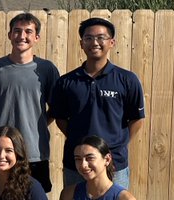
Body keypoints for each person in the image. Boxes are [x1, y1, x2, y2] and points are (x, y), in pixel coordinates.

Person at [49, 17, 145, 189]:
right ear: (81, 43)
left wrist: (117, 143)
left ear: (112, 42)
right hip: (77, 164)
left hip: (115, 164)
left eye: (101, 37)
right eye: (89, 38)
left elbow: (137, 119)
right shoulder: (66, 82)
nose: (95, 42)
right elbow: (61, 119)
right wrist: (79, 140)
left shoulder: (127, 80)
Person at [0, 13, 59, 193]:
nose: (21, 36)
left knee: (34, 195)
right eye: (17, 31)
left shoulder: (47, 69)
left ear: (36, 37)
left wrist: (35, 125)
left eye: (28, 32)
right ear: (9, 35)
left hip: (34, 151)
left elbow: (55, 109)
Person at [59, 135, 136, 200]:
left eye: (90, 158)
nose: (83, 165)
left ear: (107, 159)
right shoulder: (68, 194)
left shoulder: (124, 198)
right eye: (78, 159)